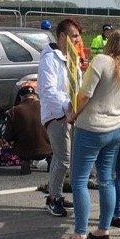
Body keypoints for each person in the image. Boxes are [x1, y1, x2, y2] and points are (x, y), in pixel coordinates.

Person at [55, 28, 120, 239]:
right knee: (106, 179)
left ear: (110, 42)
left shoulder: (101, 61)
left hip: (91, 128)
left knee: (79, 180)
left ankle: (80, 233)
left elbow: (84, 94)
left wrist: (73, 115)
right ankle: (103, 229)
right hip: (115, 128)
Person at [38, 18, 83, 217]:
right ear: (62, 36)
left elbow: (78, 85)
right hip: (56, 115)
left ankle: (57, 194)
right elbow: (48, 90)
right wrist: (68, 106)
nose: (78, 40)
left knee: (67, 157)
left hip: (71, 114)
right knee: (63, 157)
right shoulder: (50, 59)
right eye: (74, 36)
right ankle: (52, 198)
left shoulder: (71, 58)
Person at [4, 85, 52, 175]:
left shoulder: (14, 111)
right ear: (34, 96)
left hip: (25, 150)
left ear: (21, 97)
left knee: (20, 140)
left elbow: (8, 136)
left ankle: (25, 162)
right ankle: (50, 161)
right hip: (47, 148)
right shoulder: (45, 106)